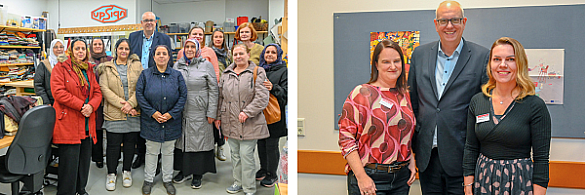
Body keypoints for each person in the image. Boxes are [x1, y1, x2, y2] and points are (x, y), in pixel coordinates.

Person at [407, 1, 490, 194]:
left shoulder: (481, 56)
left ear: (464, 22)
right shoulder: (419, 54)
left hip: (462, 157)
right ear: (436, 24)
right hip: (427, 157)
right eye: (444, 21)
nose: (449, 26)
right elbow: (413, 103)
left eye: (455, 20)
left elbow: (484, 109)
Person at [463, 37, 551, 195]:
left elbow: (541, 158)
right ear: (490, 64)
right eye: (497, 59)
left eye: (510, 59)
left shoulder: (535, 106)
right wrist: (468, 184)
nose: (502, 65)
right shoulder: (478, 101)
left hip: (519, 181)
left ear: (520, 64)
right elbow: (470, 147)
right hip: (483, 179)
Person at [338, 40, 416, 195]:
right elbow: (346, 139)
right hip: (369, 176)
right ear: (376, 65)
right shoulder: (361, 93)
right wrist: (362, 177)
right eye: (386, 62)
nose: (393, 66)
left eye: (397, 61)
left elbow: (405, 133)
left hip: (401, 178)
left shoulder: (405, 95)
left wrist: (411, 159)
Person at [215, 43, 269, 195]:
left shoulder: (258, 72)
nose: (238, 56)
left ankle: (249, 188)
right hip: (230, 121)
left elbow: (262, 97)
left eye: (241, 53)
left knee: (246, 156)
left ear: (248, 55)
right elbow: (221, 98)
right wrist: (218, 116)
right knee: (235, 155)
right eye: (235, 54)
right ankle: (238, 182)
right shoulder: (226, 73)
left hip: (249, 122)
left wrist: (247, 112)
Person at [51, 39, 103, 195]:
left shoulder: (89, 69)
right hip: (69, 122)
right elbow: (58, 92)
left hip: (87, 123)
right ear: (71, 51)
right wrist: (82, 106)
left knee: (84, 162)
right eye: (77, 48)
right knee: (69, 165)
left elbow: (97, 92)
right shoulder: (60, 68)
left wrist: (91, 106)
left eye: (83, 49)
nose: (80, 51)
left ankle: (81, 189)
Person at [136, 45, 187, 195]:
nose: (161, 56)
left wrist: (171, 114)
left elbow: (183, 96)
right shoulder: (145, 75)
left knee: (168, 151)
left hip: (171, 121)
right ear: (153, 57)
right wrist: (152, 113)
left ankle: (167, 180)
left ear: (169, 57)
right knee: (151, 151)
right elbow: (140, 95)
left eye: (164, 53)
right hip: (151, 121)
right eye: (158, 53)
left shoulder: (176, 75)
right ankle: (148, 180)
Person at [172, 38, 219, 189]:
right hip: (181, 111)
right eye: (187, 47)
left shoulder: (206, 65)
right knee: (182, 142)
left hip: (200, 111)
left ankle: (197, 174)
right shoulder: (177, 65)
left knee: (199, 142)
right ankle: (183, 171)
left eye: (193, 47)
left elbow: (214, 90)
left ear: (198, 49)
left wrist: (212, 112)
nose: (190, 49)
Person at [97, 38, 143, 191]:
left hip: (133, 112)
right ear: (116, 49)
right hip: (113, 112)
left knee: (130, 144)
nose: (124, 51)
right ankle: (111, 173)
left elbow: (141, 86)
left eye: (127, 49)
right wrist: (124, 105)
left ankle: (127, 171)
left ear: (130, 51)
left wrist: (131, 104)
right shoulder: (106, 67)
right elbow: (104, 89)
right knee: (113, 145)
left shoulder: (137, 65)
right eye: (121, 48)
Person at [129, 11, 173, 169]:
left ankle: (159, 159)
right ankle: (140, 154)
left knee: (157, 119)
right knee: (141, 120)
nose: (149, 23)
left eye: (152, 21)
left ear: (156, 23)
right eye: (146, 20)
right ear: (141, 23)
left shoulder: (164, 38)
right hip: (137, 81)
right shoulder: (133, 37)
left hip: (157, 81)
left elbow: (170, 61)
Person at [255, 43, 288, 187]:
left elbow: (286, 93)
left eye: (273, 52)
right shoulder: (259, 70)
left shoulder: (283, 71)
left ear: (278, 55)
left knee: (271, 145)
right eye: (267, 52)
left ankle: (272, 174)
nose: (269, 54)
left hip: (275, 115)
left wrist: (273, 87)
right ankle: (263, 169)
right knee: (260, 144)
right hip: (259, 114)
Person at [89, 38, 113, 169]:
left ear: (103, 46)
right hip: (94, 100)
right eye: (95, 44)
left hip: (109, 100)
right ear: (91, 46)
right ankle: (98, 157)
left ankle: (110, 157)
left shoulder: (110, 59)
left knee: (110, 129)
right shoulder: (87, 60)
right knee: (96, 129)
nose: (97, 46)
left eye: (100, 44)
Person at [210, 28, 231, 161]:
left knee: (223, 121)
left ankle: (221, 147)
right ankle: (211, 147)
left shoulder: (228, 54)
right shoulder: (207, 52)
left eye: (220, 37)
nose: (218, 39)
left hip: (226, 90)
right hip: (212, 89)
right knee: (212, 120)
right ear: (212, 39)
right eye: (216, 37)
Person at [34, 39, 65, 105]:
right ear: (51, 49)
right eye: (56, 47)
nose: (59, 49)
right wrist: (46, 102)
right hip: (51, 101)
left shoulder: (68, 63)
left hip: (66, 101)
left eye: (61, 47)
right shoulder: (44, 64)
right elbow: (38, 85)